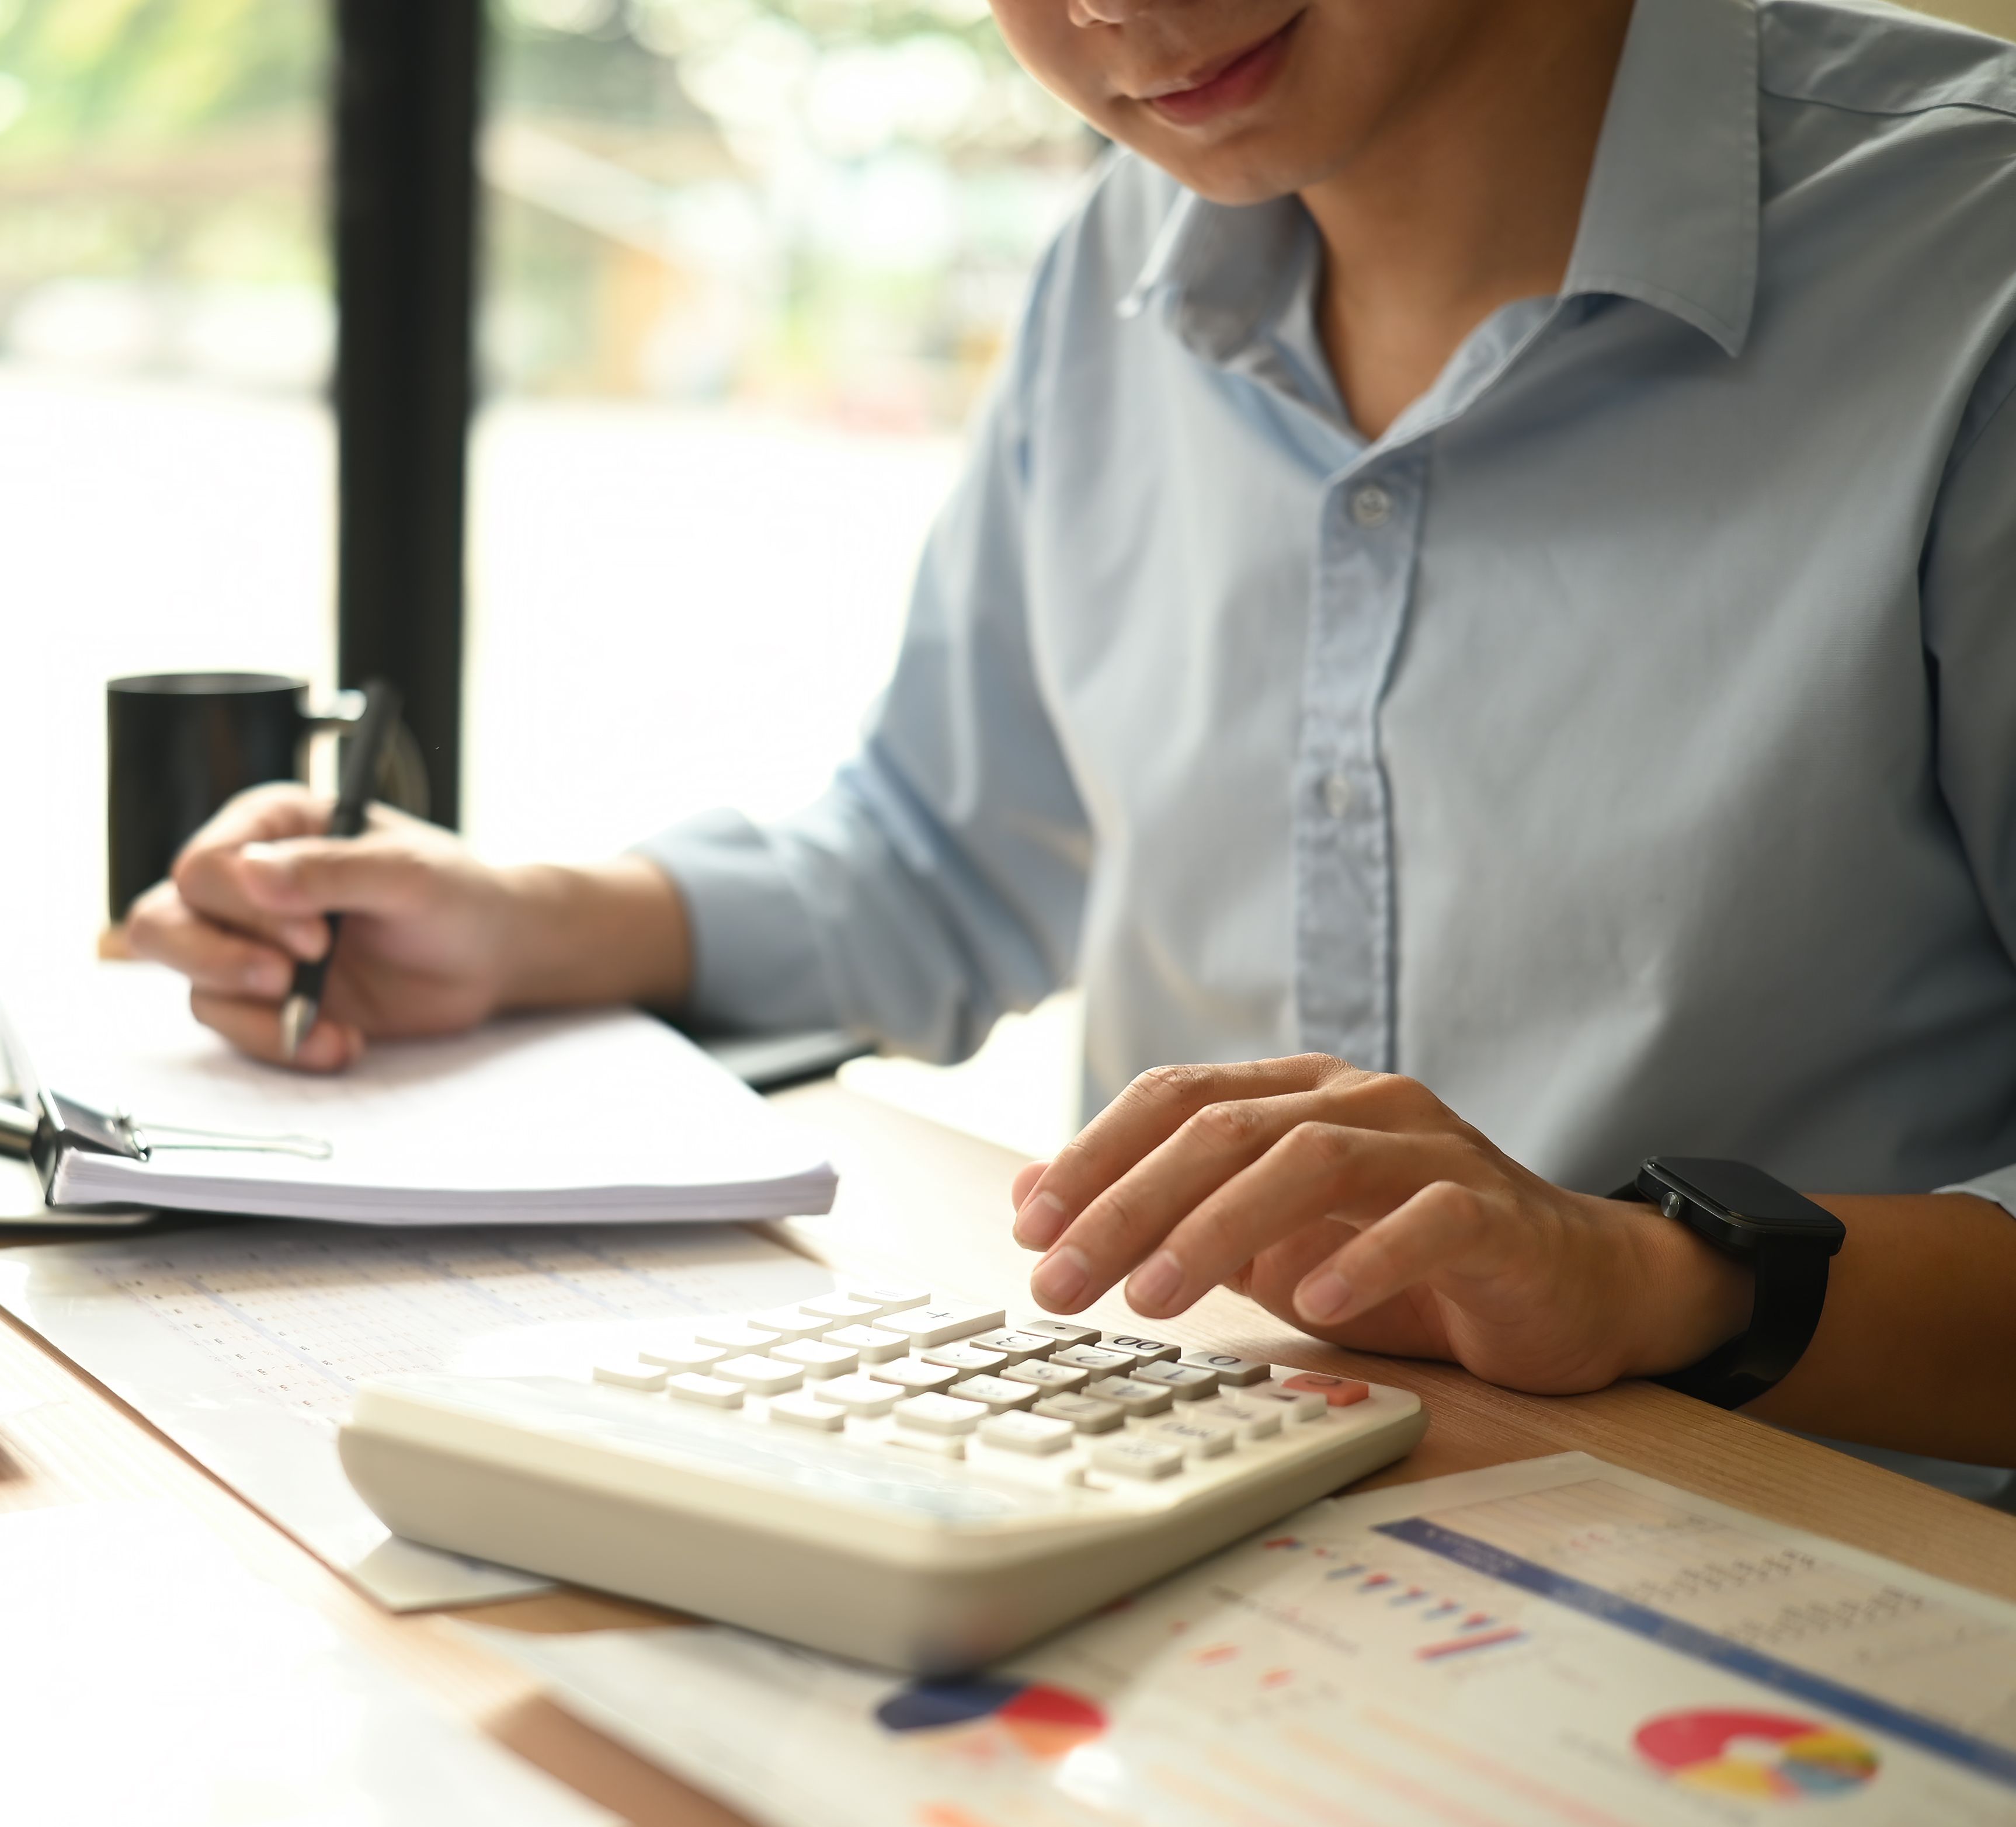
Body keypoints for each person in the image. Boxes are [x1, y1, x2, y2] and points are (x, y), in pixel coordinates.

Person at [127, 0, 2016, 1469]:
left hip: (1820, 1591)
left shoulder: (1967, 274)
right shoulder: (1128, 255)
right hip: (1215, 1507)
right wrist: (525, 921)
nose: (1109, 12)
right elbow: (942, 860)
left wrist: (1650, 1276)